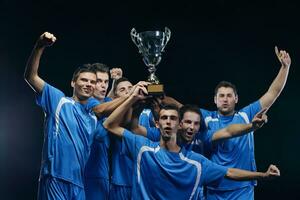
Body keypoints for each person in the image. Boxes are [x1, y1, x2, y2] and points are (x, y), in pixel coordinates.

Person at [102, 83, 280, 200]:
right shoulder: (146, 146)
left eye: (196, 123)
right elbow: (117, 126)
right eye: (187, 122)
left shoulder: (198, 158)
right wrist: (135, 98)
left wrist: (251, 128)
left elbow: (229, 135)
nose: (191, 127)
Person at [200, 47, 291, 199]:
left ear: (236, 99)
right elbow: (179, 108)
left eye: (229, 95)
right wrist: (155, 89)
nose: (225, 99)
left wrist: (285, 67)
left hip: (242, 190)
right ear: (215, 100)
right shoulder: (205, 118)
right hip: (214, 188)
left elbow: (272, 93)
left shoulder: (246, 114)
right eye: (221, 96)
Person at [24, 32, 98, 199]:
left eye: (92, 82)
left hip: (79, 184)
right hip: (55, 178)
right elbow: (30, 76)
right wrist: (39, 46)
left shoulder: (94, 117)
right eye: (84, 80)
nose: (88, 84)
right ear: (73, 82)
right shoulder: (58, 100)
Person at [84, 63, 111, 200]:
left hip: (103, 174)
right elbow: (99, 135)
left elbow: (113, 99)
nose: (103, 85)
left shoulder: (108, 101)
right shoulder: (86, 103)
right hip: (89, 173)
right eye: (99, 81)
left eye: (106, 81)